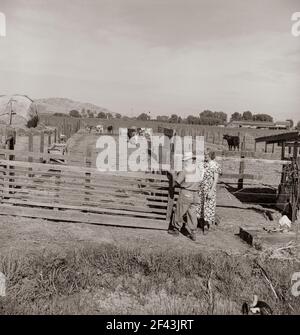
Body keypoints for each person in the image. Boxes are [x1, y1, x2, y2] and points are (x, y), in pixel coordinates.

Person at [168, 152, 204, 241]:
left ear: (188, 160)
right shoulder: (198, 169)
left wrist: (173, 174)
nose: (184, 162)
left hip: (186, 192)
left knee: (179, 211)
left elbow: (176, 183)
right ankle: (193, 232)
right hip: (196, 194)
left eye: (184, 160)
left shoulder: (185, 169)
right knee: (192, 213)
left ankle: (176, 229)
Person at [196, 149, 222, 230]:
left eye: (206, 154)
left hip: (209, 188)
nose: (205, 156)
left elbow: (215, 180)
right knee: (200, 205)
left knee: (208, 205)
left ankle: (206, 225)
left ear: (211, 155)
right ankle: (200, 222)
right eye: (204, 154)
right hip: (201, 188)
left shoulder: (215, 165)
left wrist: (211, 191)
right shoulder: (204, 164)